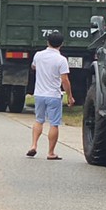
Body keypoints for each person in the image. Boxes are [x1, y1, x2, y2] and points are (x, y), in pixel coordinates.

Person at [26, 31, 74, 160]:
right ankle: (50, 152)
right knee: (54, 124)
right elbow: (65, 80)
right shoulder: (61, 60)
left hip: (39, 94)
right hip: (53, 95)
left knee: (39, 120)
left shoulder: (38, 55)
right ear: (61, 44)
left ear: (47, 42)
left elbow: (34, 67)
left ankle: (34, 145)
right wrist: (69, 96)